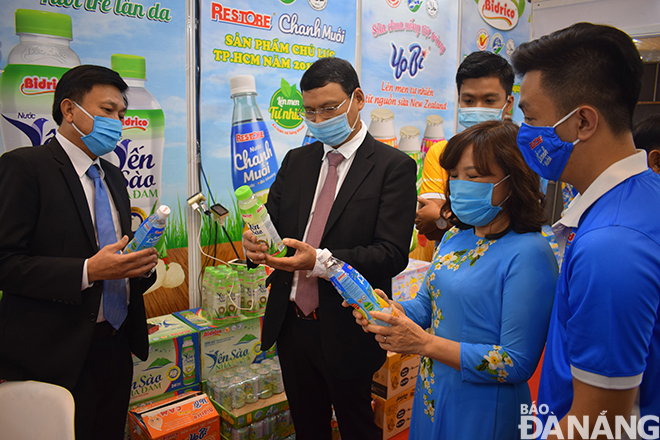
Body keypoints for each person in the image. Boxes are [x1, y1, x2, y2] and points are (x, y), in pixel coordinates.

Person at [242, 57, 416, 440]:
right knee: (307, 425)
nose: (319, 119)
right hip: (290, 324)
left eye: (329, 108)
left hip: (347, 324)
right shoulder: (297, 161)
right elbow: (271, 226)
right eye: (310, 111)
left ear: (357, 99)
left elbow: (390, 253)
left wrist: (321, 262)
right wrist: (254, 243)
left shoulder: (393, 167)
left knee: (356, 425)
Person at [351, 120, 558, 439]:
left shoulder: (531, 253)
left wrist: (423, 343)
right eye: (455, 176)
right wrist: (389, 310)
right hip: (434, 390)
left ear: (513, 178)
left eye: (473, 176)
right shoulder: (454, 237)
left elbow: (515, 363)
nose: (460, 185)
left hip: (484, 407)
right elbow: (426, 306)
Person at [512, 22, 660, 438]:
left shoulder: (612, 245)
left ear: (582, 122)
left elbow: (599, 423)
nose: (526, 134)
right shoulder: (646, 194)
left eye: (532, 117)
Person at [0, 65, 158, 440]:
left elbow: (117, 252)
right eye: (107, 111)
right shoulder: (25, 167)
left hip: (115, 344)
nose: (118, 123)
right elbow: (5, 263)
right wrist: (88, 270)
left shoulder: (113, 175)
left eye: (121, 114)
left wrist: (140, 267)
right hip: (54, 352)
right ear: (69, 110)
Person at [416, 51, 515, 241]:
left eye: (489, 101)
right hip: (450, 255)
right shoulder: (442, 153)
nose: (478, 107)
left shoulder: (522, 155)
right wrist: (441, 219)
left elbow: (522, 215)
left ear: (508, 103)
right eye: (468, 101)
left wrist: (443, 217)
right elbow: (430, 226)